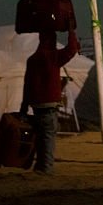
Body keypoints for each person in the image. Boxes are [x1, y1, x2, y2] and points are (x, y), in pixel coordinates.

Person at [20, 28, 80, 176]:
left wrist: (23, 108)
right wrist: (71, 31)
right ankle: (46, 168)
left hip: (36, 105)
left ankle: (40, 165)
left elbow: (27, 84)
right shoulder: (53, 57)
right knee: (48, 136)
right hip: (49, 104)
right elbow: (72, 49)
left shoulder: (32, 59)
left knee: (40, 136)